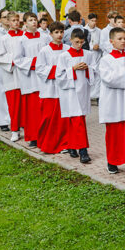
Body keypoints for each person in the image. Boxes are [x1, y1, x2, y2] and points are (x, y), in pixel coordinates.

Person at [98, 26, 125, 174]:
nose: (123, 41)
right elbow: (107, 79)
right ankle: (112, 161)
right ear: (111, 41)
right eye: (120, 39)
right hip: (114, 102)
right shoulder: (106, 60)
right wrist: (124, 71)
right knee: (115, 134)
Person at [56, 28, 95, 163]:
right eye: (76, 42)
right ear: (71, 40)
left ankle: (72, 146)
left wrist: (88, 68)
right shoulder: (64, 56)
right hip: (70, 93)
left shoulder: (88, 54)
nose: (79, 45)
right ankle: (83, 151)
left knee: (79, 120)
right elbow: (59, 75)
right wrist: (72, 69)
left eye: (81, 42)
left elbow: (95, 69)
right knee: (77, 121)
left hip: (83, 91)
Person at [14, 12, 50, 147]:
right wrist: (34, 62)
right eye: (30, 20)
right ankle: (33, 137)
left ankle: (46, 136)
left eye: (35, 19)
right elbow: (18, 59)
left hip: (44, 77)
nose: (34, 22)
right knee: (32, 110)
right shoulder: (21, 40)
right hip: (30, 78)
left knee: (44, 109)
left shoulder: (45, 37)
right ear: (25, 23)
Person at [36, 21, 69, 154]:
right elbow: (40, 69)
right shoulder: (44, 51)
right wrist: (58, 70)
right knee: (48, 118)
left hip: (64, 88)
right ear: (50, 34)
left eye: (61, 32)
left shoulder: (67, 49)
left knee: (63, 119)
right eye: (56, 32)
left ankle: (64, 144)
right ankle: (47, 144)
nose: (59, 35)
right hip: (49, 89)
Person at [0, 11, 24, 142]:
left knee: (25, 104)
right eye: (13, 21)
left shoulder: (25, 36)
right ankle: (15, 130)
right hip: (11, 75)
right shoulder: (4, 39)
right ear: (8, 22)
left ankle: (27, 128)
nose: (16, 23)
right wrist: (12, 60)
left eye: (17, 20)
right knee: (14, 104)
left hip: (25, 74)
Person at [85, 13, 102, 99]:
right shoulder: (84, 30)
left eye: (95, 21)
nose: (94, 23)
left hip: (97, 54)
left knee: (98, 74)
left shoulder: (99, 31)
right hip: (89, 54)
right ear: (88, 20)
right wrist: (92, 47)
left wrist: (99, 46)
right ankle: (89, 94)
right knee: (90, 74)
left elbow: (102, 42)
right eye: (92, 21)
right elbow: (84, 43)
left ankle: (97, 95)